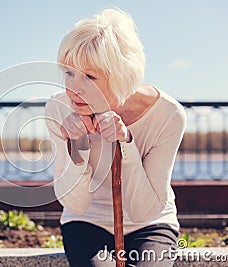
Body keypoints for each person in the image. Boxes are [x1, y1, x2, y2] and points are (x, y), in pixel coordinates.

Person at [45, 7, 186, 267]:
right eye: (69, 73)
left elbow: (145, 210)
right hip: (86, 222)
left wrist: (125, 142)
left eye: (89, 76)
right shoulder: (58, 108)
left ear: (121, 75)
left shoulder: (168, 115)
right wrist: (78, 147)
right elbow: (74, 204)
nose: (73, 88)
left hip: (151, 225)